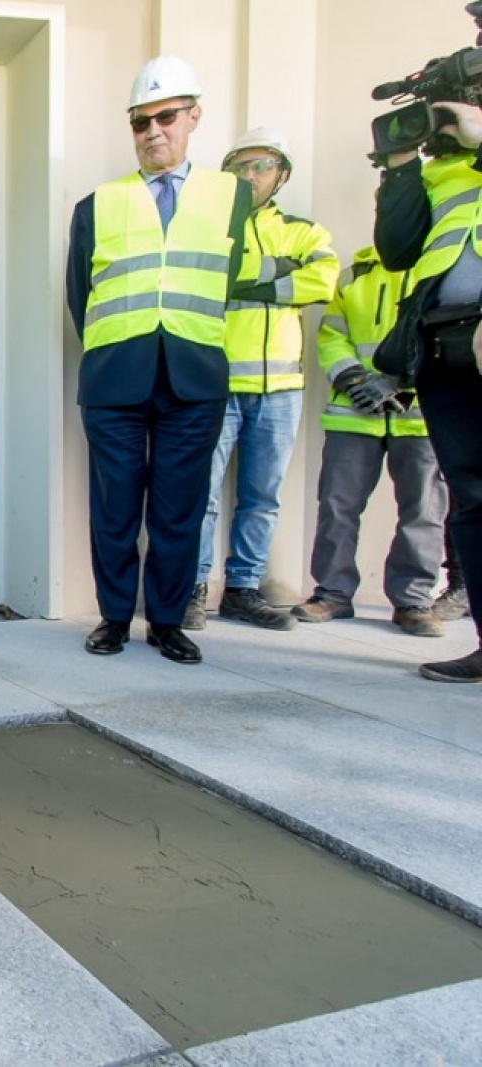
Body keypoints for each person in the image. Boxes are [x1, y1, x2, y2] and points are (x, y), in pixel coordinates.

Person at [66, 57, 252, 665]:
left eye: (166, 118)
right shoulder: (97, 205)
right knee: (114, 507)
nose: (154, 132)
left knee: (180, 507)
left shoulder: (232, 198)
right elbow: (79, 296)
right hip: (115, 377)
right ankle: (115, 617)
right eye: (141, 122)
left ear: (194, 116)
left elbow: (232, 282)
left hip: (194, 376)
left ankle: (167, 621)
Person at [183, 128, 337, 633]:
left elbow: (323, 279)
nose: (250, 177)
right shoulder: (208, 229)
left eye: (261, 166)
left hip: (280, 389)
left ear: (281, 174)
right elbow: (211, 280)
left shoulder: (303, 230)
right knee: (199, 492)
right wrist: (277, 275)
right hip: (218, 383)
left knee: (262, 496)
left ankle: (243, 590)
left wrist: (252, 279)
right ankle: (193, 587)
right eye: (240, 167)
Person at [375, 99, 482, 682]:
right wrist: (398, 165)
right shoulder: (442, 170)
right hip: (445, 344)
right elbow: (398, 248)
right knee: (471, 502)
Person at [291, 247, 448, 634]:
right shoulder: (354, 274)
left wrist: (401, 380)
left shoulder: (443, 269)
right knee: (336, 505)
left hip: (420, 417)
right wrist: (355, 379)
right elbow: (331, 334)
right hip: (354, 414)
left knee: (423, 511)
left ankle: (414, 599)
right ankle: (332, 593)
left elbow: (449, 336)